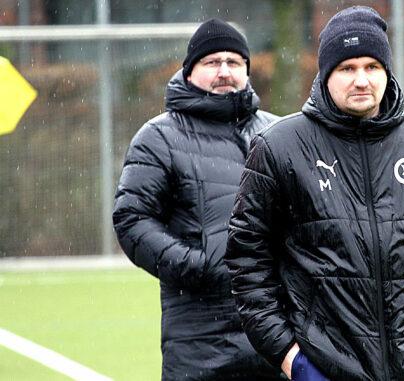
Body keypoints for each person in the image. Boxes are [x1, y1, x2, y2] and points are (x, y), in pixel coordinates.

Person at [224, 6, 404, 381]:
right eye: (347, 68)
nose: (361, 80)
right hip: (323, 369)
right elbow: (247, 257)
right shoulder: (280, 147)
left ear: (386, 71)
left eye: (372, 67)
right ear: (326, 74)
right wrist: (291, 358)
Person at [112, 19, 282, 380]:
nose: (224, 71)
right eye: (212, 62)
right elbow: (132, 218)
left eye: (234, 62)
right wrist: (197, 266)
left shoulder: (279, 134)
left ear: (247, 72)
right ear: (190, 72)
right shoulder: (158, 137)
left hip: (276, 338)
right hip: (200, 343)